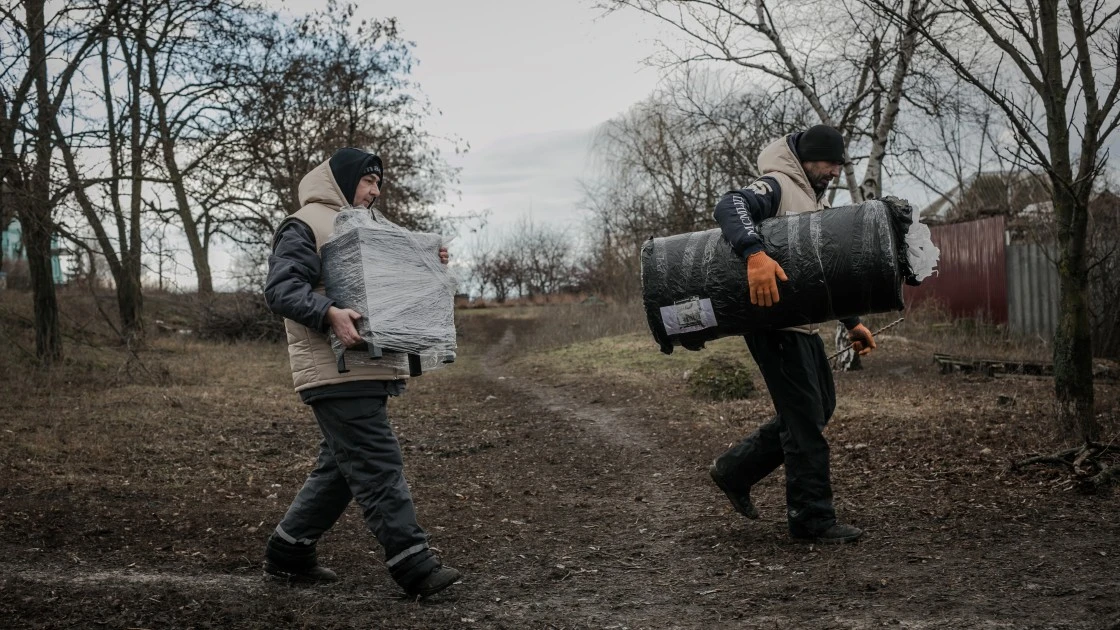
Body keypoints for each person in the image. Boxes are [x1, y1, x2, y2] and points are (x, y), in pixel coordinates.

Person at [261, 147, 460, 596]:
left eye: (378, 184)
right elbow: (281, 289)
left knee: (339, 470)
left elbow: (392, 287)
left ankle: (288, 552)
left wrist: (429, 261)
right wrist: (328, 312)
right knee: (376, 462)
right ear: (344, 180)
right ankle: (414, 565)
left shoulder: (370, 226)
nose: (375, 191)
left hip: (366, 366)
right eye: (369, 181)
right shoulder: (306, 224)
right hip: (335, 369)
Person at [708, 125, 878, 544]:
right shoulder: (777, 185)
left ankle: (735, 470)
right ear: (806, 159)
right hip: (773, 325)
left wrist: (851, 321)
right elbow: (729, 204)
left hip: (801, 323)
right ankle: (811, 518)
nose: (835, 172)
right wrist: (754, 254)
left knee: (818, 408)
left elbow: (819, 274)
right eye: (830, 163)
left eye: (839, 165)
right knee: (805, 424)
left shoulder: (816, 202)